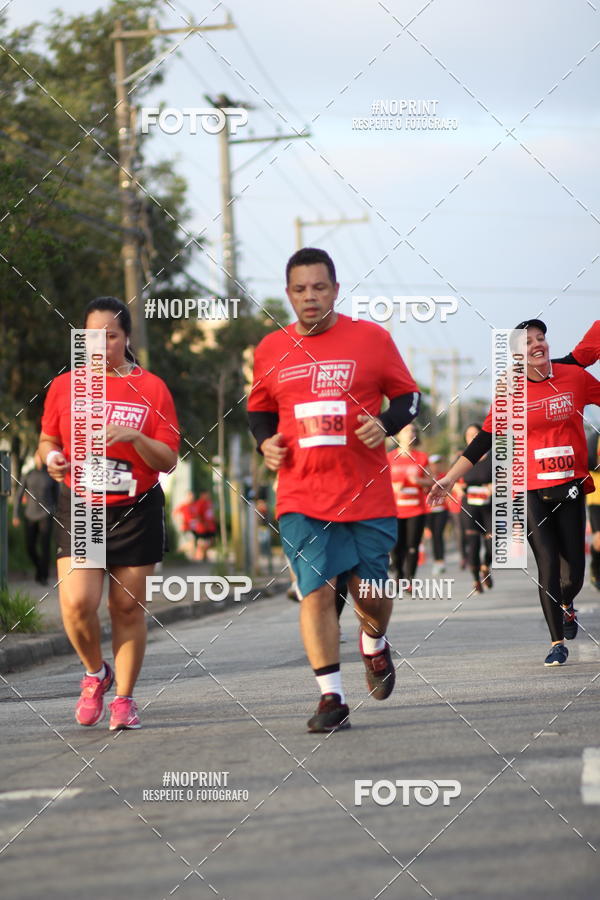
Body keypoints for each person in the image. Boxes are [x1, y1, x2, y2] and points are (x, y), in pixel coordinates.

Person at [248, 247, 420, 732]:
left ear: (335, 290)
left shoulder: (371, 339)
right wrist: (265, 444)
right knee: (316, 591)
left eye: (319, 287)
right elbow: (259, 409)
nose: (310, 297)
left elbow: (409, 397)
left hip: (366, 491)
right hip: (302, 493)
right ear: (288, 295)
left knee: (370, 591)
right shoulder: (270, 349)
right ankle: (331, 697)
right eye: (300, 289)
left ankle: (374, 641)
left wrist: (385, 422)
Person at [39, 297, 179, 729]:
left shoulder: (152, 388)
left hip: (135, 508)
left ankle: (123, 700)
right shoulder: (64, 386)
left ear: (127, 338)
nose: (100, 345)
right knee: (78, 603)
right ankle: (95, 672)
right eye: (92, 336)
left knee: (126, 608)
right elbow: (46, 441)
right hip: (82, 505)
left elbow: (168, 460)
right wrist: (51, 459)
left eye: (111, 336)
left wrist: (136, 436)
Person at [428, 319, 600, 667]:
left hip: (568, 487)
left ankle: (567, 604)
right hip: (531, 490)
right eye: (528, 342)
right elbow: (482, 441)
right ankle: (555, 643)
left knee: (574, 575)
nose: (537, 344)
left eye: (541, 338)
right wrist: (448, 479)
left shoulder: (575, 378)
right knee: (548, 564)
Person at [387, 424, 430, 586]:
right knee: (396, 547)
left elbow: (431, 481)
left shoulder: (421, 457)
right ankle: (398, 575)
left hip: (416, 509)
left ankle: (410, 578)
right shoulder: (390, 457)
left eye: (413, 430)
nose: (410, 433)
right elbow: (379, 482)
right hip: (395, 510)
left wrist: (419, 481)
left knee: (413, 546)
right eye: (406, 430)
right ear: (398, 436)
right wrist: (393, 486)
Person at [12, 452, 58, 585]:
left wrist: (57, 514)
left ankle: (43, 576)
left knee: (45, 546)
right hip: (30, 515)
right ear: (34, 458)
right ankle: (39, 568)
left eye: (42, 457)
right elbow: (19, 495)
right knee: (30, 546)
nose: (39, 460)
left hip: (46, 514)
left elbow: (57, 498)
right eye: (38, 457)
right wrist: (15, 514)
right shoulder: (28, 474)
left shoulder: (50, 476)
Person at [460, 423, 494, 594]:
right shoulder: (462, 458)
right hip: (469, 506)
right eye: (469, 435)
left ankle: (485, 566)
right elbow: (452, 480)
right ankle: (475, 579)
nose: (472, 437)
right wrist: (458, 488)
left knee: (492, 543)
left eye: (476, 434)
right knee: (472, 544)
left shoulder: (495, 457)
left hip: (490, 506)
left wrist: (496, 486)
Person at [424, 454, 451, 576]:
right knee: (433, 535)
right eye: (434, 464)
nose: (436, 466)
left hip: (441, 510)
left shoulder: (444, 476)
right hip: (428, 511)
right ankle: (436, 561)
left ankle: (440, 561)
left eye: (438, 463)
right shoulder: (425, 477)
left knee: (438, 534)